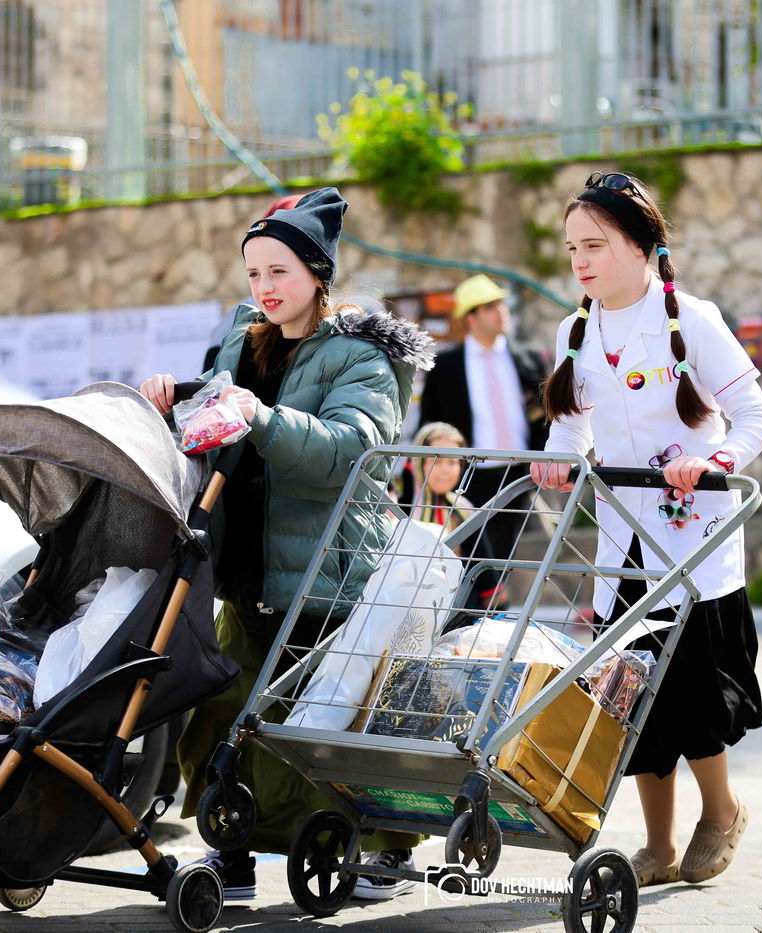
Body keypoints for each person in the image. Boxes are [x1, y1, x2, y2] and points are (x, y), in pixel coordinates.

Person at [138, 187, 435, 903]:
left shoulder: (362, 354)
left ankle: (381, 850)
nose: (264, 288)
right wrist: (175, 393)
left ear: (316, 273)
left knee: (334, 725)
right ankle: (231, 846)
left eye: (279, 272)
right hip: (245, 569)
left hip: (326, 574)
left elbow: (351, 450)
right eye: (253, 274)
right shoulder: (246, 336)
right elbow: (218, 395)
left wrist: (261, 418)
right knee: (223, 710)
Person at [529, 172, 762, 888]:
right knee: (630, 695)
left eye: (595, 245)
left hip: (693, 540)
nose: (580, 260)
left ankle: (723, 811)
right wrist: (556, 462)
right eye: (573, 247)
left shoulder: (693, 320)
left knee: (696, 694)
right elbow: (569, 427)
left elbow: (757, 415)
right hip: (623, 540)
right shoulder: (572, 329)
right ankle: (659, 845)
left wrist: (715, 459)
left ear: (641, 246)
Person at [418, 274, 549, 578]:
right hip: (469, 476)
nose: (501, 311)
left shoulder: (528, 358)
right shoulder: (446, 366)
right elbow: (432, 422)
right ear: (471, 317)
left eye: (501, 304)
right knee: (468, 559)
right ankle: (468, 618)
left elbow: (547, 415)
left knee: (504, 562)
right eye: (490, 306)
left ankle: (493, 617)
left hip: (521, 474)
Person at [392, 421, 504, 613]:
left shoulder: (464, 510)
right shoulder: (400, 509)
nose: (445, 470)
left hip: (460, 605)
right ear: (418, 462)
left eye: (452, 462)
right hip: (406, 603)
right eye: (436, 461)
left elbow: (484, 564)